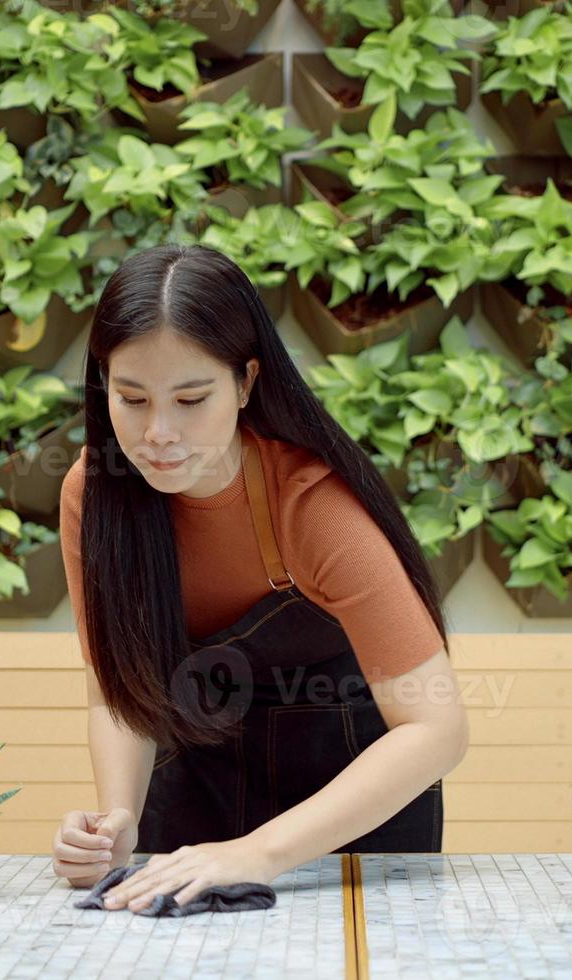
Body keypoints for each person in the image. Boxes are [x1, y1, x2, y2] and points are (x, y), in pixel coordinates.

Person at [50, 244, 469, 913]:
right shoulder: (94, 496)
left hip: (353, 820)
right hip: (195, 800)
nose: (158, 433)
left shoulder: (310, 504)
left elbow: (436, 728)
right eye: (131, 397)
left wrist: (258, 852)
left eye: (191, 398)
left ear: (245, 383)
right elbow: (115, 688)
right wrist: (116, 820)